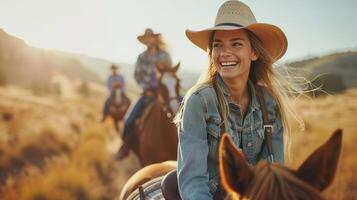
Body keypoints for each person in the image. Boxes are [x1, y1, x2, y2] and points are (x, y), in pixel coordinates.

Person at [174, 0, 303, 199]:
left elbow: (274, 172)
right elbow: (193, 179)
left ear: (254, 52)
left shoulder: (269, 104)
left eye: (236, 43)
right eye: (218, 45)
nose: (225, 53)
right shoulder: (199, 101)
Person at [116, 28, 173, 159]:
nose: (149, 40)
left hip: (165, 91)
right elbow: (137, 76)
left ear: (155, 38)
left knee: (183, 110)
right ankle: (125, 146)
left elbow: (170, 73)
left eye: (150, 37)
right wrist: (146, 88)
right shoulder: (141, 57)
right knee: (129, 119)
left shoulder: (165, 55)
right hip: (147, 93)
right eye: (146, 38)